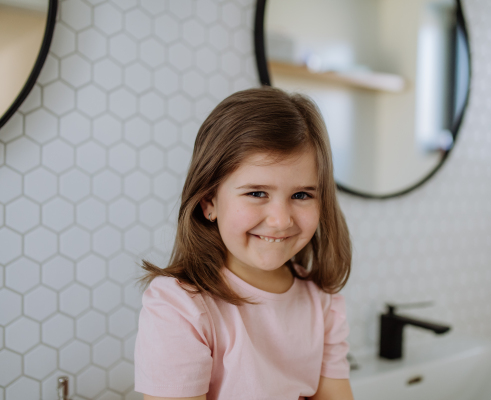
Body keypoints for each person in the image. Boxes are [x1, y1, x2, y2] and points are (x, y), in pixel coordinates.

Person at [134, 86, 353, 400]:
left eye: (301, 195)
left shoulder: (323, 303)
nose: (280, 220)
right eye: (257, 193)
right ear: (209, 201)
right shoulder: (180, 306)